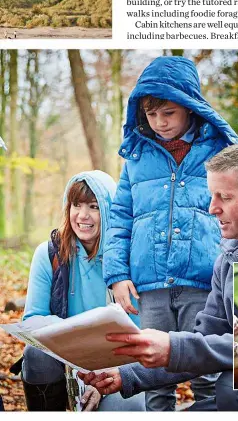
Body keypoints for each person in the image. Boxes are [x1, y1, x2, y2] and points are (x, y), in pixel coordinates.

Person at [81, 142, 238, 412]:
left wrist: (172, 347)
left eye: (224, 197)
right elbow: (202, 346)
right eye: (211, 196)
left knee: (227, 386)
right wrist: (125, 375)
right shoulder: (227, 259)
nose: (212, 208)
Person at [103, 55, 238, 412]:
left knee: (205, 372)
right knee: (153, 365)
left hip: (202, 281)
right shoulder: (136, 157)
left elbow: (237, 213)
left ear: (190, 108)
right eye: (151, 115)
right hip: (150, 285)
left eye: (169, 113)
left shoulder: (218, 152)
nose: (160, 123)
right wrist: (117, 276)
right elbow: (120, 217)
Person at [20, 171, 145, 412]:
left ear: (109, 210)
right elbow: (32, 319)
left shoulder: (130, 259)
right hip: (65, 356)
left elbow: (138, 333)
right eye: (76, 205)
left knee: (127, 405)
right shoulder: (50, 254)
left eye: (94, 207)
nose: (83, 215)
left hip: (117, 363)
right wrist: (71, 342)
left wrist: (100, 380)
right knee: (35, 353)